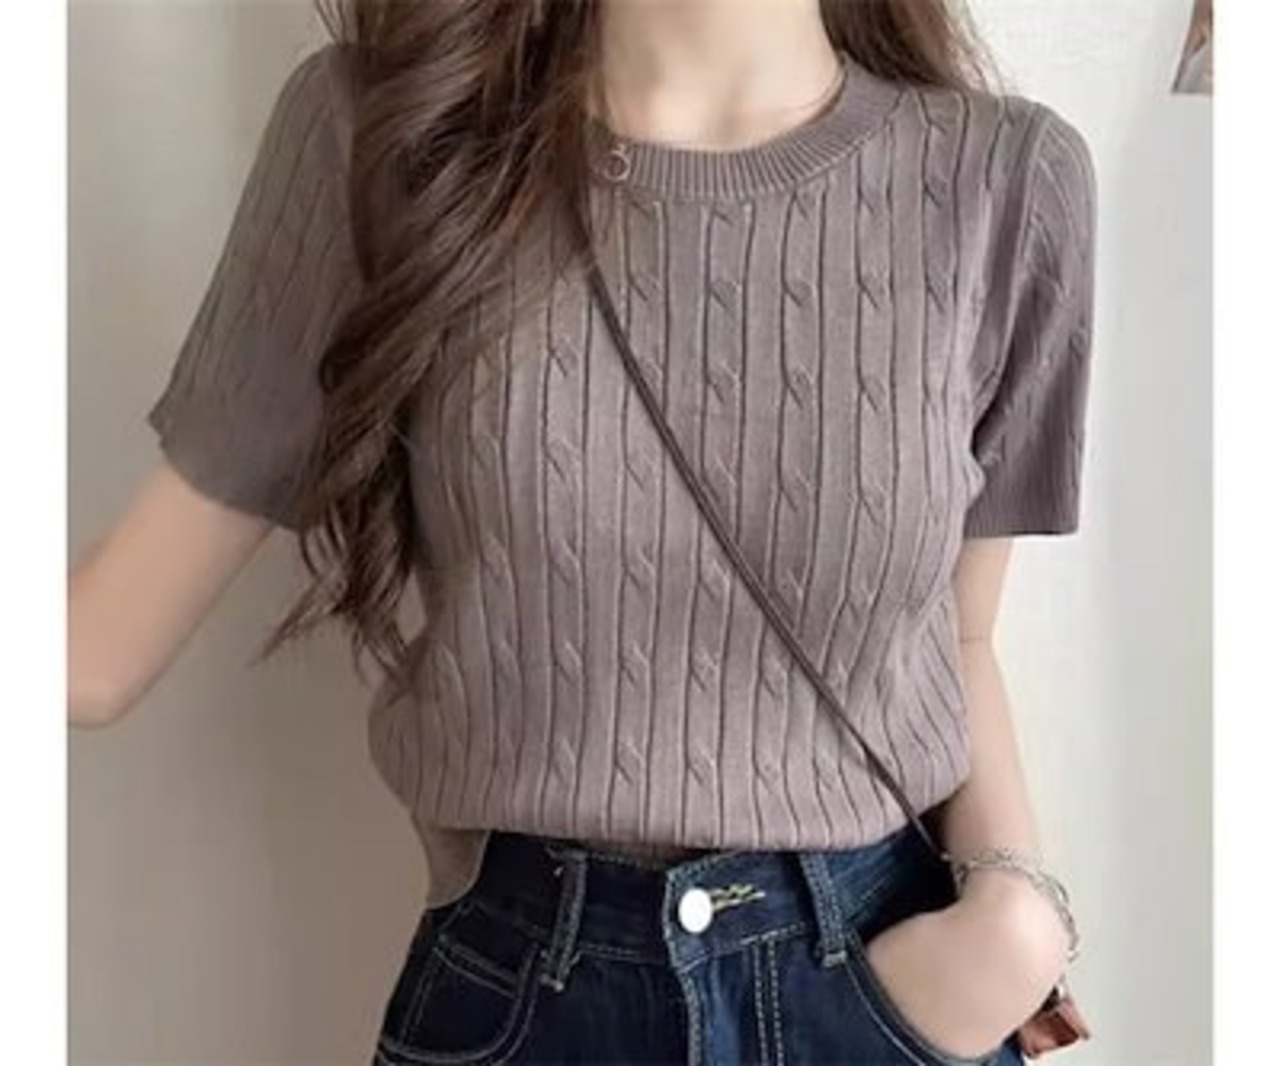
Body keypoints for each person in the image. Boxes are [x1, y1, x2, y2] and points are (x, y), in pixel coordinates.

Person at [68, 0, 1097, 1062]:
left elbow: (959, 635)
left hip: (884, 989)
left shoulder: (1003, 182)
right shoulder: (389, 137)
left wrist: (1013, 923)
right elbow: (93, 652)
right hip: (530, 997)